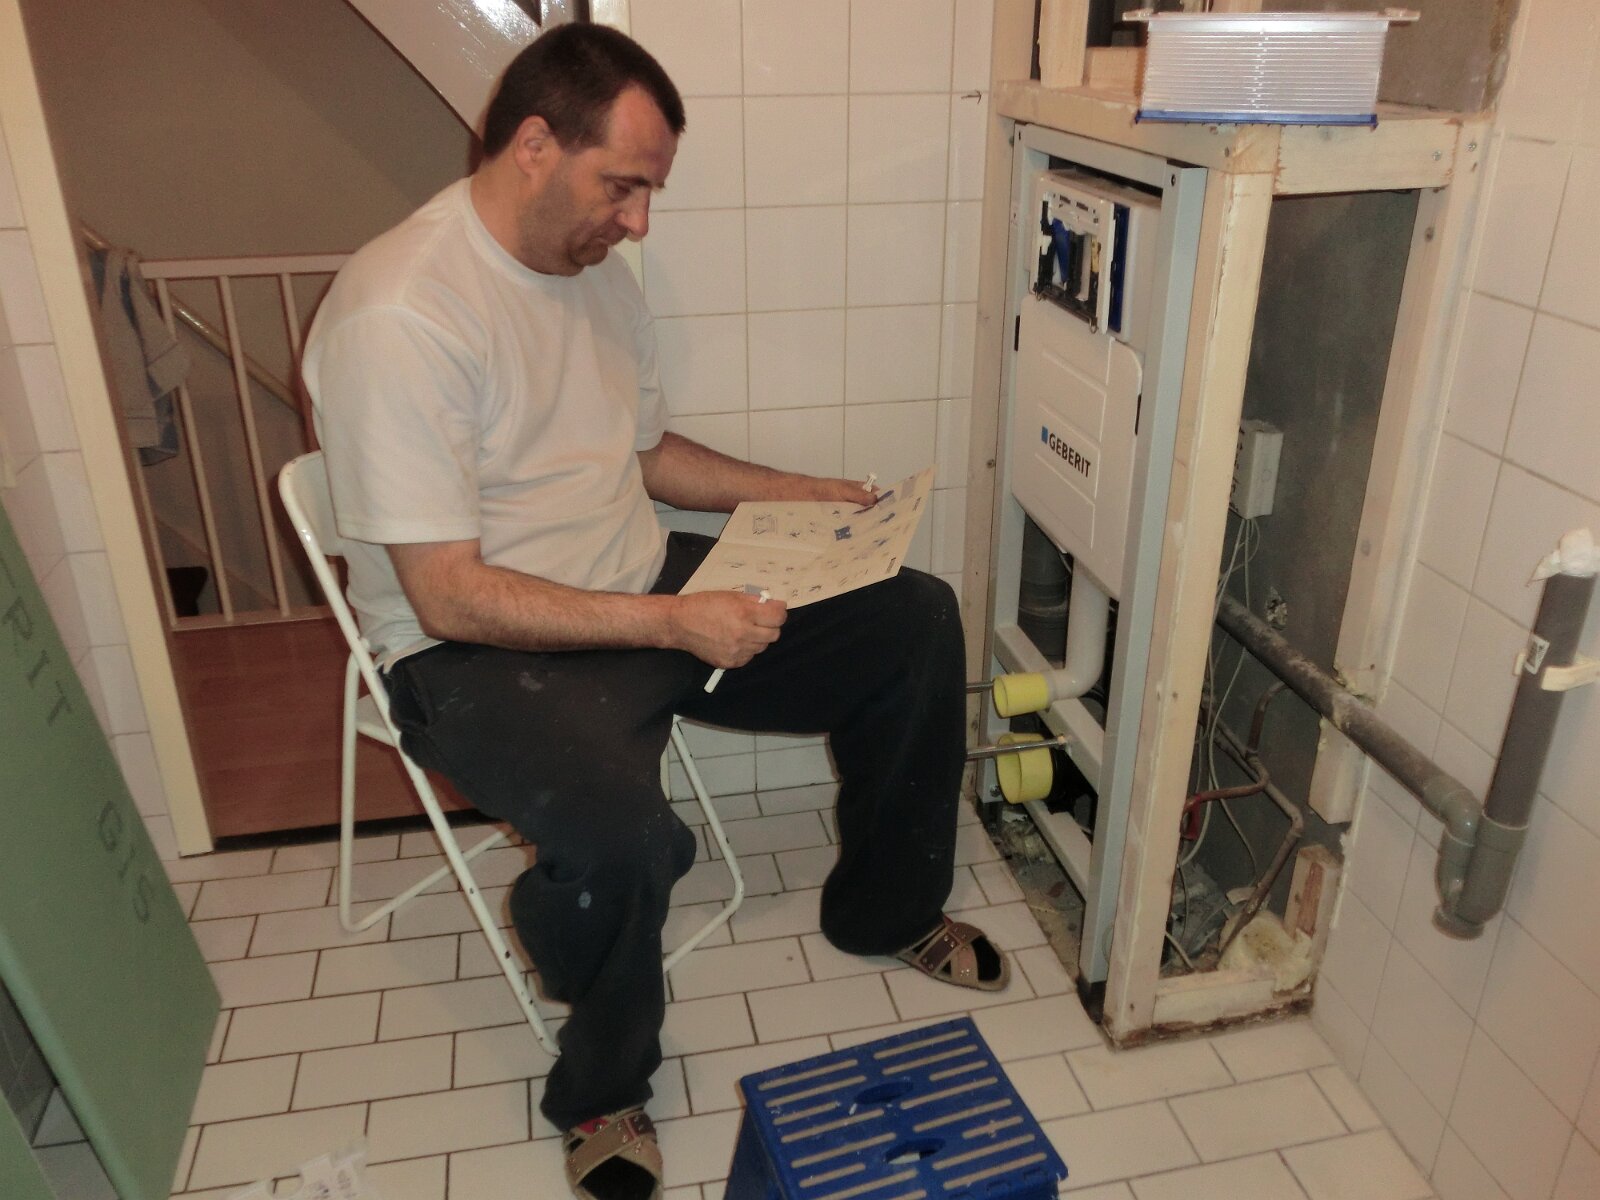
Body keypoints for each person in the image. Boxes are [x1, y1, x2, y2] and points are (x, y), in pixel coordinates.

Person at [302, 23, 1008, 1200]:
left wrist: (804, 496)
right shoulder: (402, 315)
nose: (636, 223)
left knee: (914, 619)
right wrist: (676, 623)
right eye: (621, 186)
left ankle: (886, 910)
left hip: (635, 579)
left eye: (647, 194)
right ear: (535, 145)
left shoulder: (595, 278)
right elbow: (446, 591)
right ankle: (602, 1088)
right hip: (470, 650)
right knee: (624, 839)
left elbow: (644, 455)